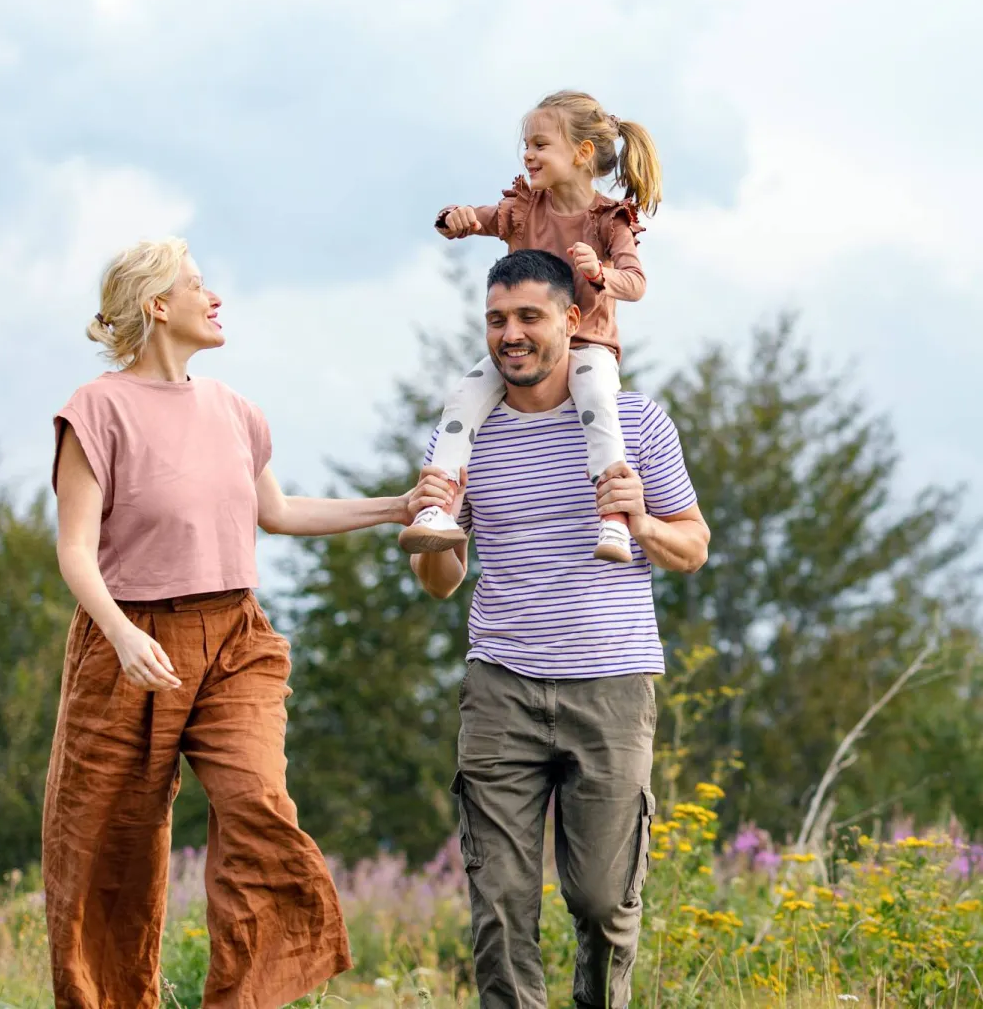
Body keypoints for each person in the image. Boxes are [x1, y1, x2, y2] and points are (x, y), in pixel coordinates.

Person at [43, 236, 451, 1009]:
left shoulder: (234, 409)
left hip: (234, 637)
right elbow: (74, 551)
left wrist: (395, 506)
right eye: (198, 286)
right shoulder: (96, 410)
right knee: (108, 851)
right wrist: (123, 636)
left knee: (259, 807)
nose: (214, 297)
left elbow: (280, 512)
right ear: (158, 306)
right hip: (127, 642)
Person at [409, 249, 709, 1009]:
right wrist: (436, 531)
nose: (510, 334)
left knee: (604, 900)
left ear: (572, 322)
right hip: (500, 685)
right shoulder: (462, 435)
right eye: (496, 320)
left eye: (528, 317)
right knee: (501, 904)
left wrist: (639, 517)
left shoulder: (634, 421)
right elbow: (441, 585)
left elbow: (693, 547)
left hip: (611, 685)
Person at [399, 90, 663, 564]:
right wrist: (455, 220)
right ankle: (437, 508)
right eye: (527, 144)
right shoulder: (525, 208)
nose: (528, 154)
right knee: (464, 396)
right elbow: (479, 219)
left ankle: (615, 519)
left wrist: (601, 274)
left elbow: (636, 282)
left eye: (541, 145)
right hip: (527, 350)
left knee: (599, 401)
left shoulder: (608, 220)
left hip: (588, 344)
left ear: (581, 153)